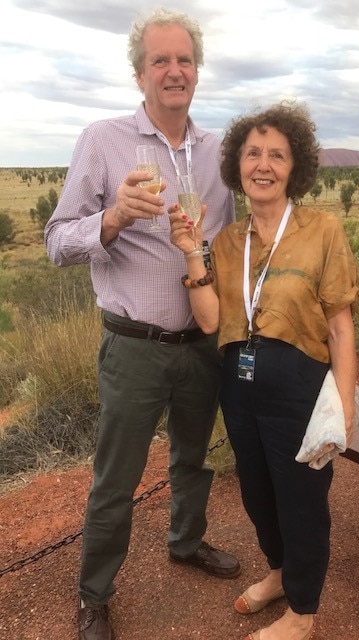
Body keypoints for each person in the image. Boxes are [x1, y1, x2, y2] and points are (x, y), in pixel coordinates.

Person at [44, 8, 240, 640]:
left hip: (201, 342)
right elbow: (55, 242)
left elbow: (231, 240)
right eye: (161, 60)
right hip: (133, 346)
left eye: (184, 60)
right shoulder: (103, 141)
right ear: (140, 74)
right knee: (117, 479)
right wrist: (111, 220)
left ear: (197, 71)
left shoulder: (217, 151)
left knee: (193, 457)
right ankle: (94, 594)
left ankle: (186, 541)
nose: (174, 70)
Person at [169, 101, 359, 640]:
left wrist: (344, 405)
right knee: (257, 492)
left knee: (302, 501)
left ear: (293, 168)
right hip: (240, 384)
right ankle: (278, 573)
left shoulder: (322, 230)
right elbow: (209, 320)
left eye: (277, 155)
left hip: (300, 386)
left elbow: (342, 327)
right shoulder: (228, 243)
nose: (264, 164)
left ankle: (303, 611)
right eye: (253, 153)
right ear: (237, 165)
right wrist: (190, 253)